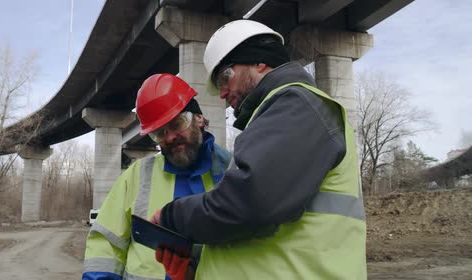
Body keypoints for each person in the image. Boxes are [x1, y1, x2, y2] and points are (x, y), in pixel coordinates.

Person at [151, 19, 367, 279]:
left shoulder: (297, 104)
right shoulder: (273, 119)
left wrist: (172, 216)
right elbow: (258, 236)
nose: (222, 94)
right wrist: (195, 264)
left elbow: (250, 202)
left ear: (259, 62)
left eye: (224, 78)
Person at [82, 73, 231, 280]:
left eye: (178, 123)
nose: (169, 137)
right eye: (159, 133)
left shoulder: (232, 172)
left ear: (198, 118)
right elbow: (105, 244)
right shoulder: (137, 175)